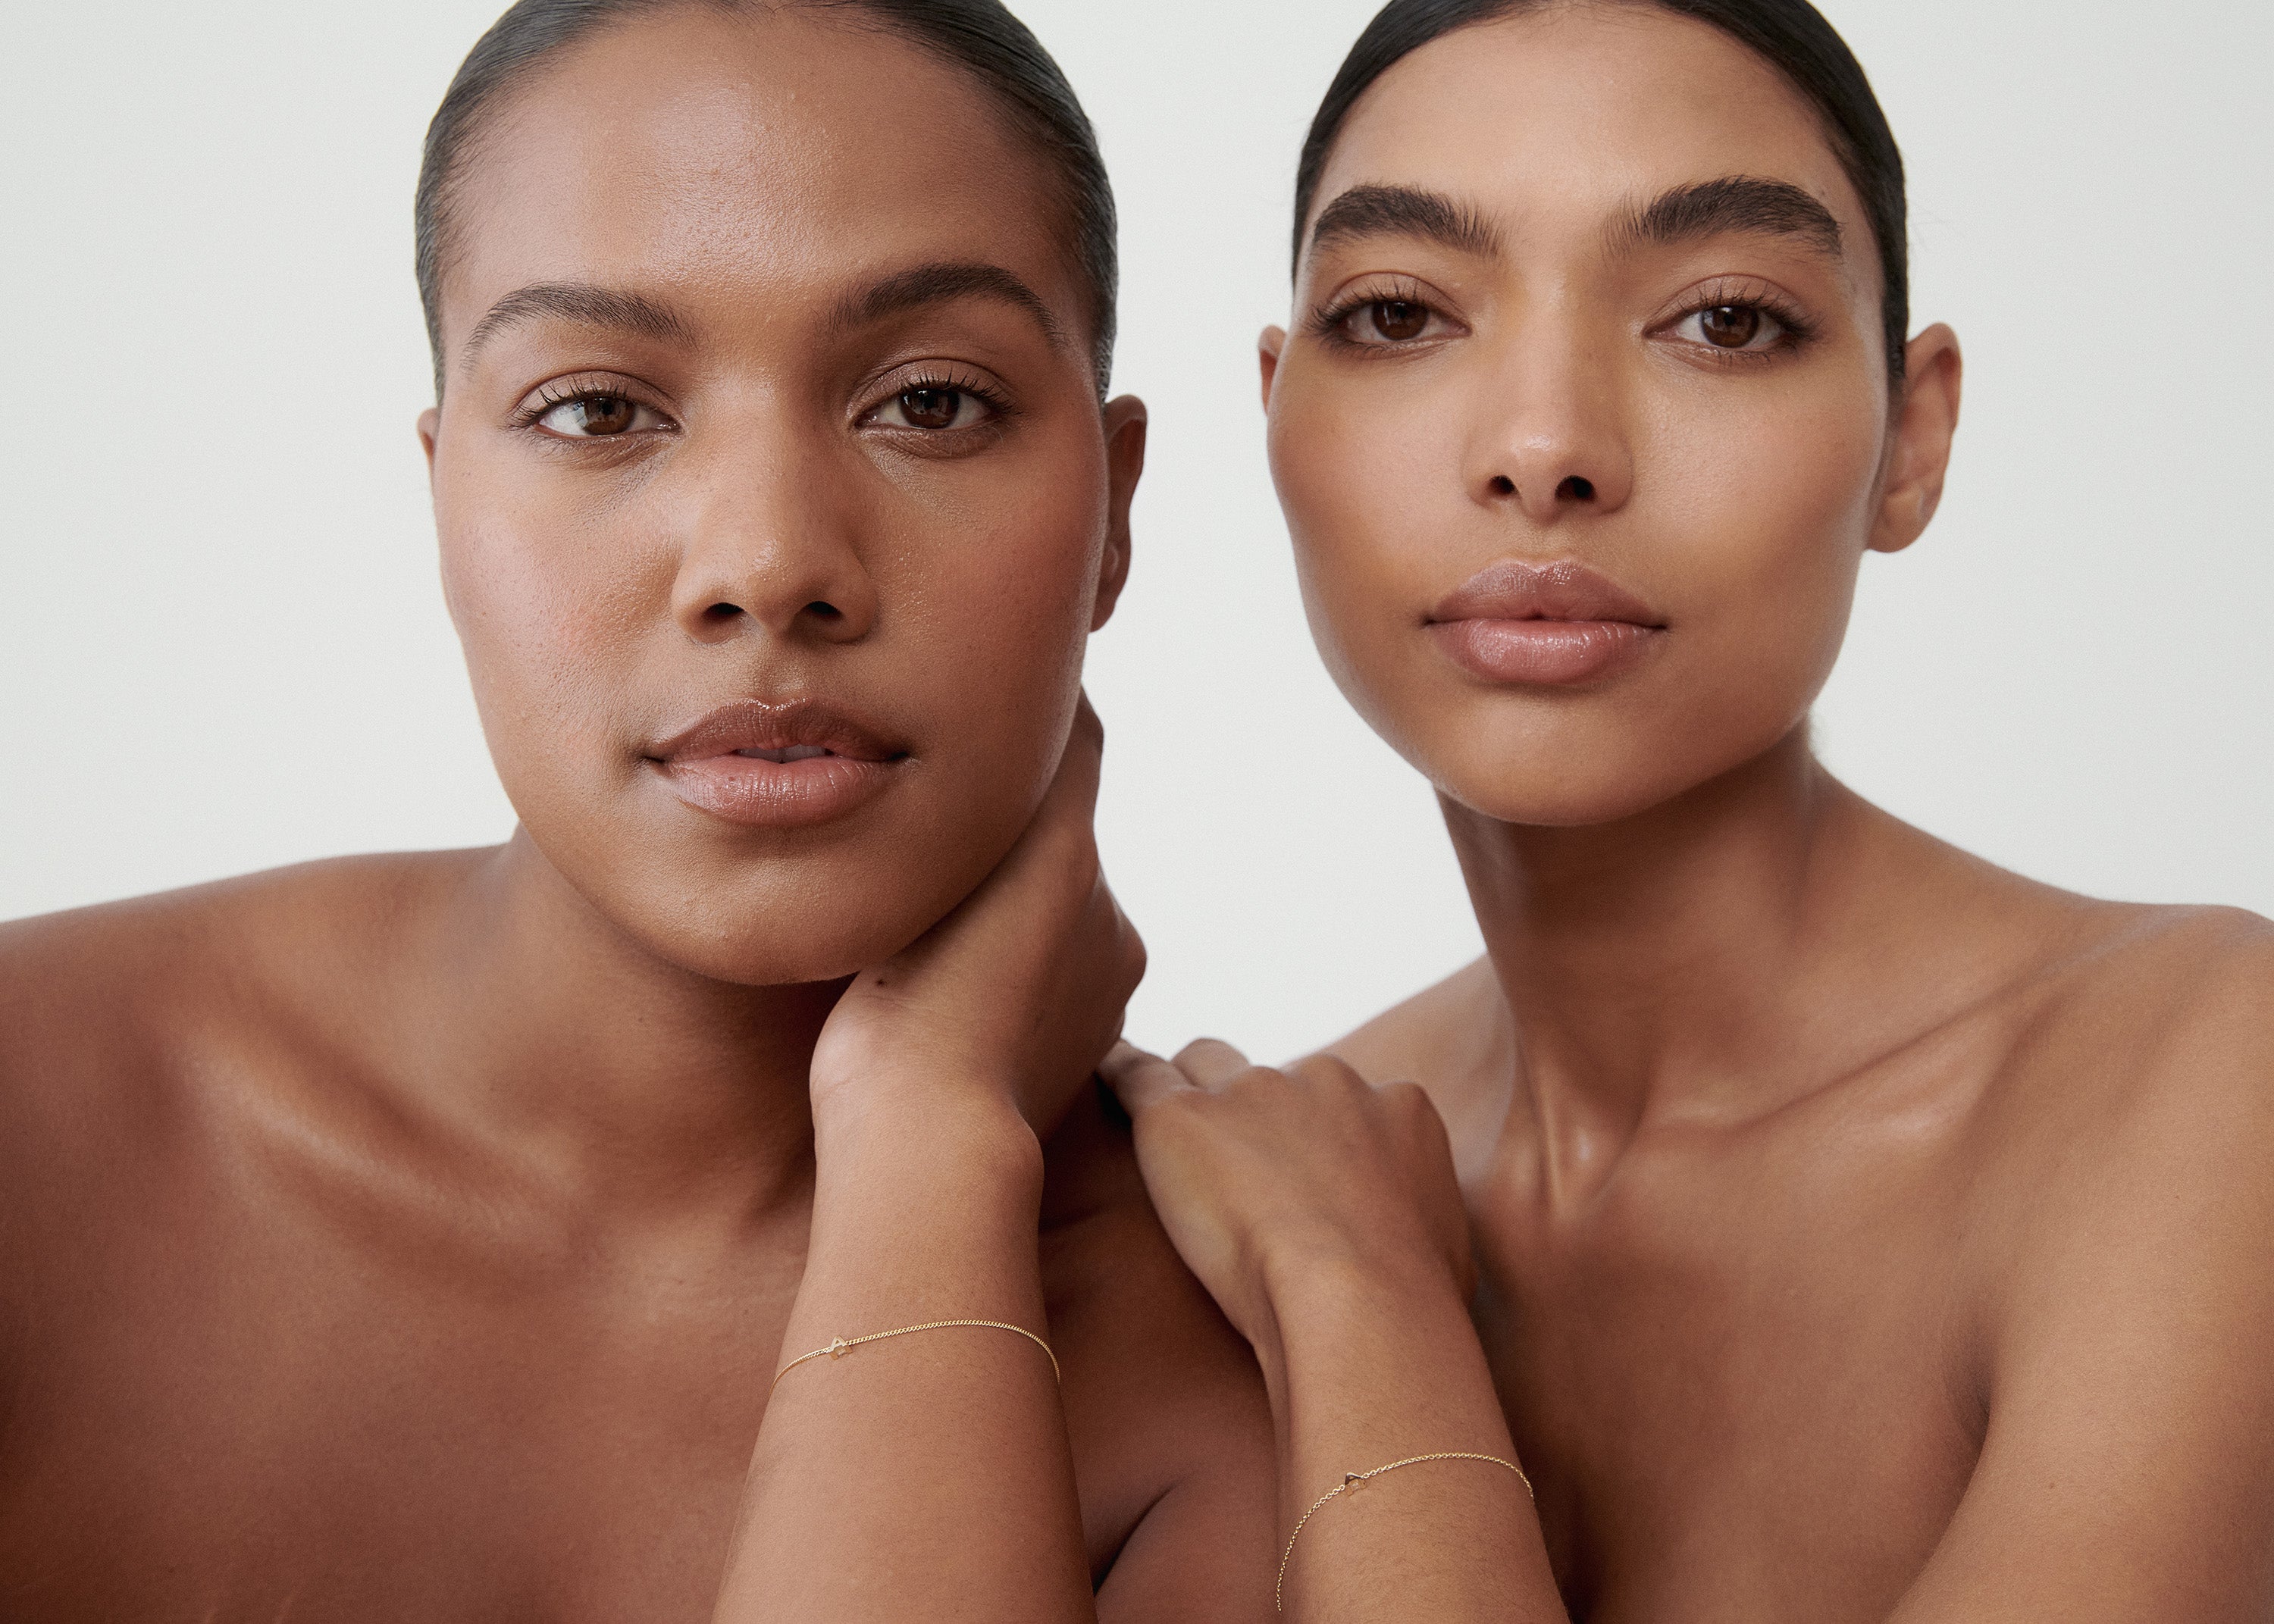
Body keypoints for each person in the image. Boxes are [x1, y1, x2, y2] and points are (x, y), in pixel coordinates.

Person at [0, 2, 1277, 1619]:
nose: (765, 563)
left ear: (1115, 514)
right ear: (443, 489)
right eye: (600, 410)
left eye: (931, 402)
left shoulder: (1236, 1361)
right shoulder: (31, 1125)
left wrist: (925, 1143)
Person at [1106, 1, 2274, 1619]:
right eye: (1396, 313)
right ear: (1275, 405)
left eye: (1724, 319)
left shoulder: (2203, 1082)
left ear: (1911, 439)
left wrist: (1366, 1320)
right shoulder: (1267, 1165)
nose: (1544, 448)